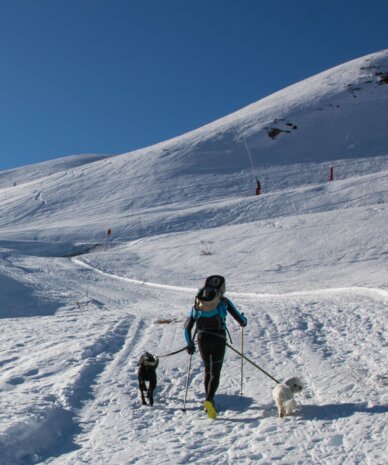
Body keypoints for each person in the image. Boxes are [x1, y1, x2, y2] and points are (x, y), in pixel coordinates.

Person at [184, 275, 247, 419]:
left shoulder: (197, 302)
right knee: (215, 371)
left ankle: (208, 401)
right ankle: (209, 400)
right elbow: (241, 320)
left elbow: (187, 327)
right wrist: (244, 321)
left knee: (207, 370)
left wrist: (189, 344)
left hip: (202, 339)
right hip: (218, 338)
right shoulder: (223, 301)